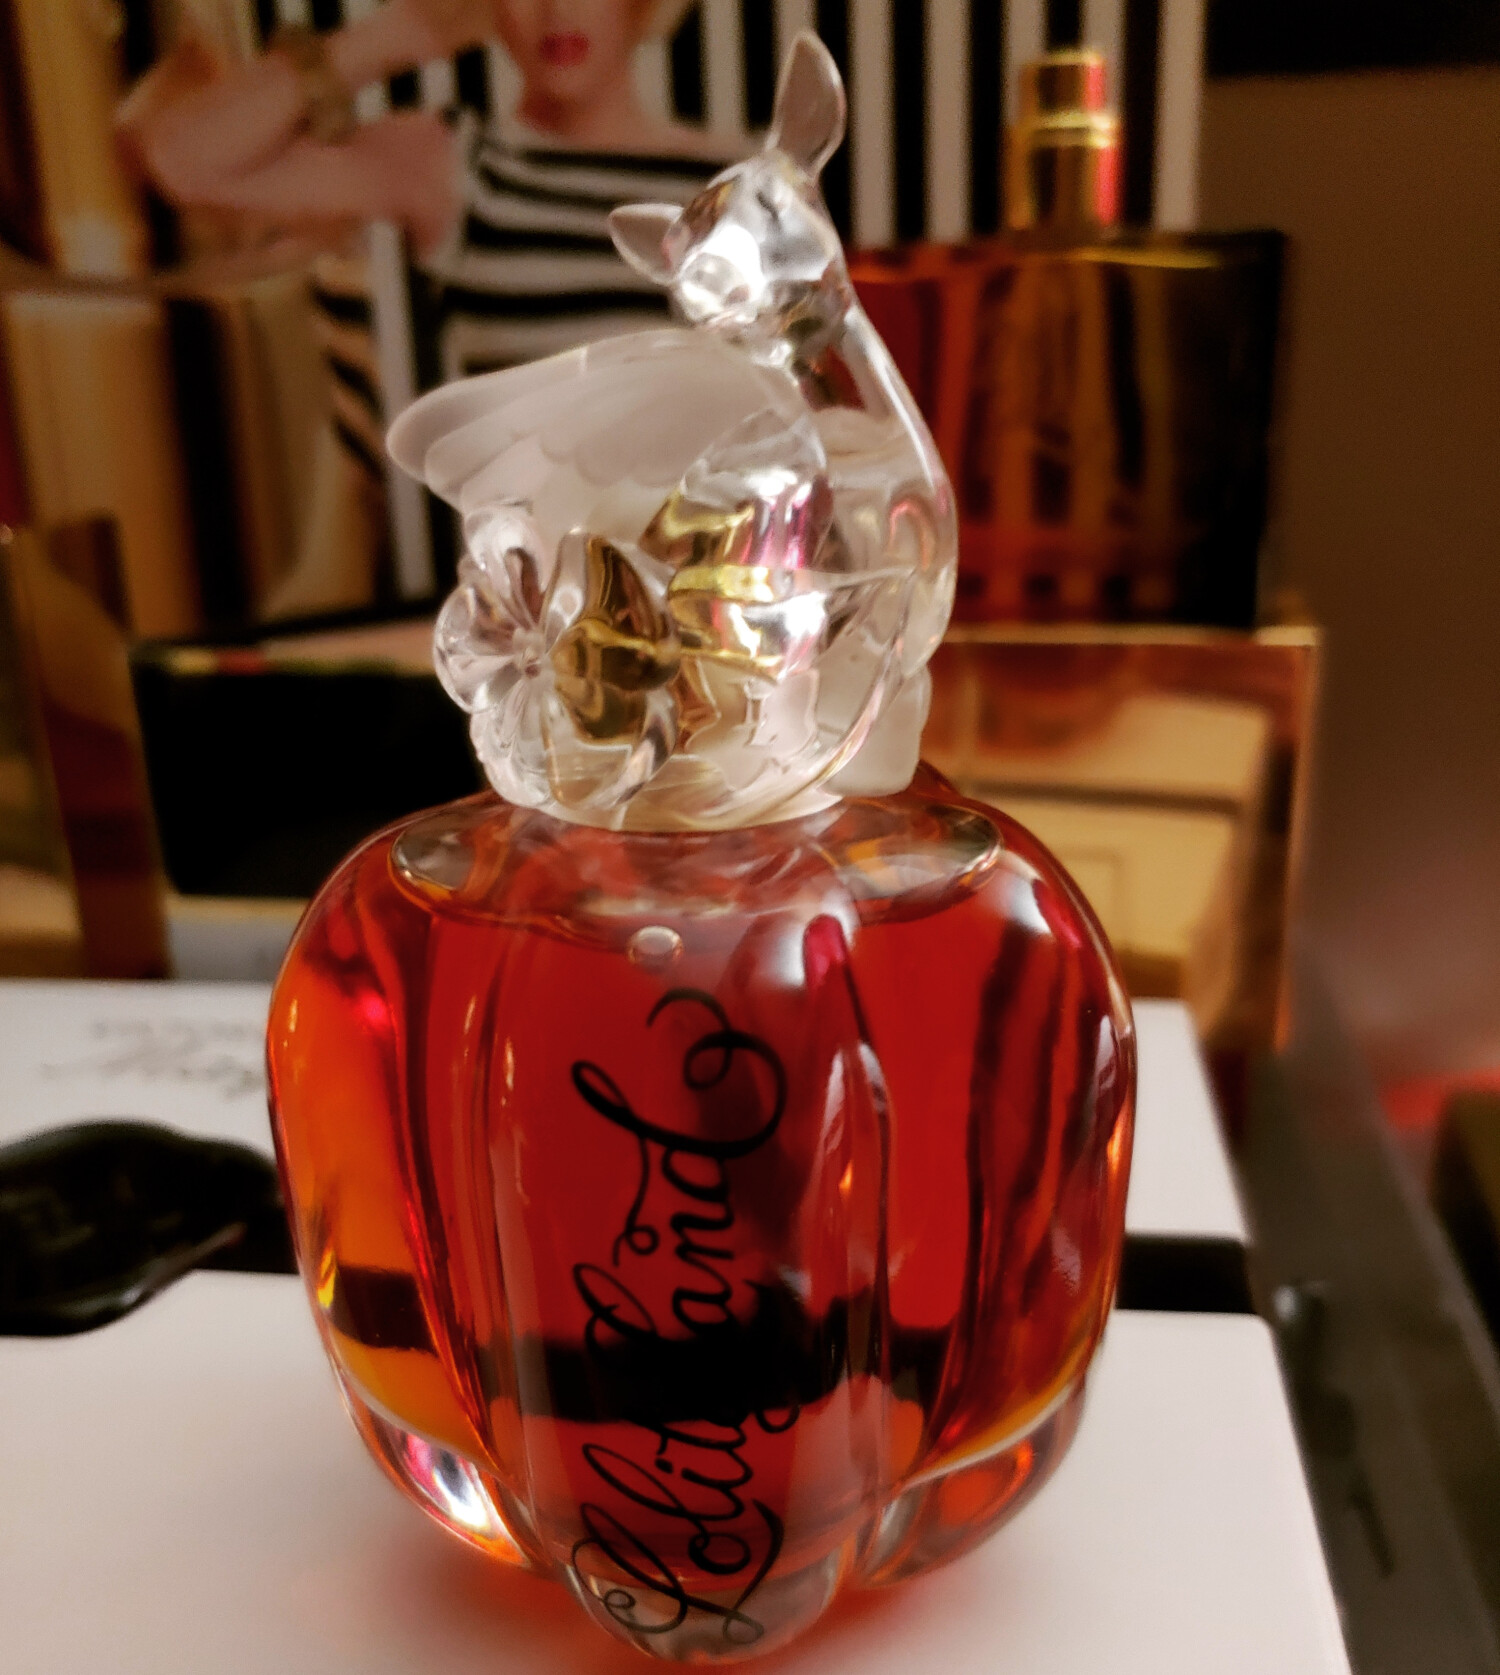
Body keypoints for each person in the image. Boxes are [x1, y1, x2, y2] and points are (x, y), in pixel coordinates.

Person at [125, 0, 737, 612]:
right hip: (538, 613)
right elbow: (184, 162)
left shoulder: (732, 180)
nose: (556, 11)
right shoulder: (458, 163)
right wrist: (405, 31)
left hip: (711, 601)